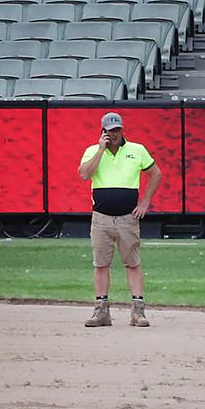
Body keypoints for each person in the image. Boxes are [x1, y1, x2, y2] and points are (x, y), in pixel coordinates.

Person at [78, 112, 162, 328]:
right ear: (103, 131)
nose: (115, 134)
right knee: (101, 264)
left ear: (122, 130)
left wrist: (145, 202)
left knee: (132, 263)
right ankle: (101, 311)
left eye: (117, 130)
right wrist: (100, 150)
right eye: (110, 130)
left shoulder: (137, 150)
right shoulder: (92, 151)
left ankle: (138, 311)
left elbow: (156, 174)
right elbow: (85, 175)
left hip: (127, 218)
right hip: (101, 218)